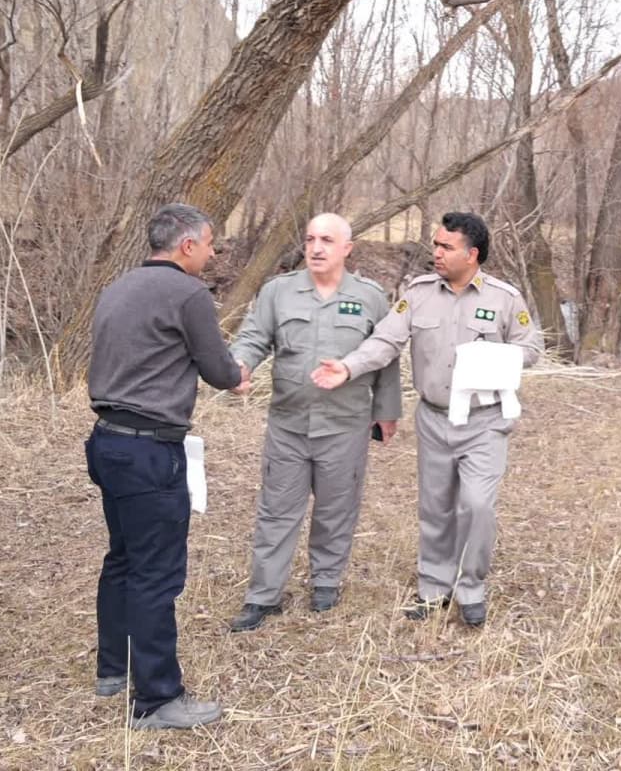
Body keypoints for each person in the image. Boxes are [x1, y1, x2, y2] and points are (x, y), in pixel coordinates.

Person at [311, 212, 542, 628]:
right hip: (434, 417)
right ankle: (434, 588)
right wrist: (348, 367)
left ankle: (471, 588)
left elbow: (530, 348)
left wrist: (490, 358)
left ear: (472, 254)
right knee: (435, 508)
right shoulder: (418, 293)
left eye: (446, 247)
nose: (435, 252)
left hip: (484, 420)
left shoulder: (504, 298)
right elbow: (385, 340)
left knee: (477, 505)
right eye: (436, 244)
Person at [86, 203, 250, 730]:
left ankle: (113, 669)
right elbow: (218, 368)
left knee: (123, 558)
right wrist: (238, 376)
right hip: (151, 451)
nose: (212, 253)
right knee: (156, 574)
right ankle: (157, 699)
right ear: (187, 245)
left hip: (107, 441)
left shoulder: (117, 287)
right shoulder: (188, 293)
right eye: (210, 244)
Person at [227, 214, 402, 632]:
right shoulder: (278, 291)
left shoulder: (370, 297)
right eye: (310, 239)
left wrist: (387, 411)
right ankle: (263, 595)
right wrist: (239, 364)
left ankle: (326, 581)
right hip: (288, 423)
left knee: (336, 509)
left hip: (345, 424)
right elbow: (253, 337)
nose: (316, 248)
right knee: (276, 511)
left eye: (326, 240)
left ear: (347, 248)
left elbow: (386, 357)